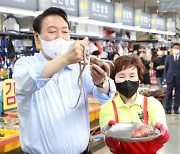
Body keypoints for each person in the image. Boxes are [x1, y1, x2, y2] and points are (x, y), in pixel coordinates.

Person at [12, 7, 116, 154]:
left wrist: (101, 82)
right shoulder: (25, 65)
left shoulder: (78, 67)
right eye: (52, 31)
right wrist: (66, 58)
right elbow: (30, 81)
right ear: (37, 37)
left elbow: (104, 96)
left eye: (65, 32)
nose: (60, 37)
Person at [99, 55, 170, 154]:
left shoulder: (153, 104)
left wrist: (163, 134)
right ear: (113, 80)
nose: (127, 80)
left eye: (132, 76)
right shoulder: (107, 108)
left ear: (139, 79)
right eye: (121, 76)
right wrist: (111, 140)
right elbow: (112, 146)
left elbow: (161, 135)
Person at [164, 43, 180, 114]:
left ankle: (176, 108)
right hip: (170, 78)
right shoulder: (168, 57)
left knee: (178, 94)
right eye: (175, 48)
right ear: (172, 49)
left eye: (178, 48)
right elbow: (166, 68)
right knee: (168, 93)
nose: (176, 49)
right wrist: (165, 77)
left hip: (178, 79)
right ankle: (168, 108)